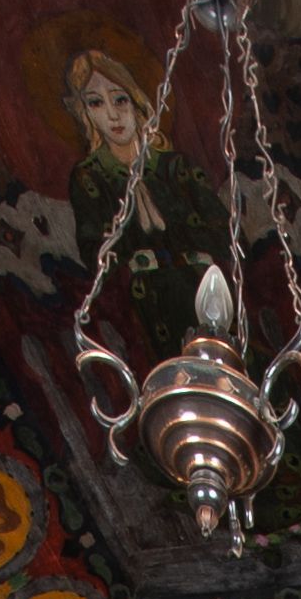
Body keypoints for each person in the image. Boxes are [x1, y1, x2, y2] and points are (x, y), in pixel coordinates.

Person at [64, 48, 232, 364]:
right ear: (85, 113)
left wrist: (190, 242)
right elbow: (96, 252)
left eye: (120, 100)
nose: (113, 115)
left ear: (136, 102)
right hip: (146, 299)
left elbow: (226, 234)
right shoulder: (90, 177)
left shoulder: (175, 167)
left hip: (203, 288)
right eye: (96, 103)